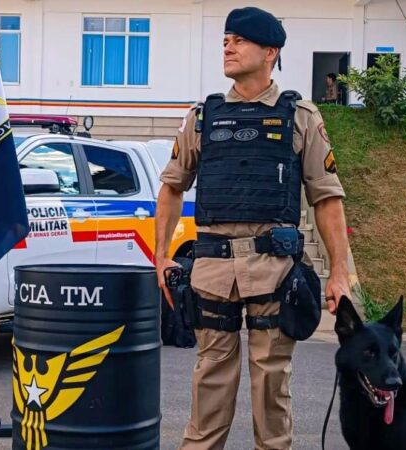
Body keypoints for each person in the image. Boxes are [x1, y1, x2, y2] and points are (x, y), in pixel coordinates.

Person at [154, 6, 352, 450]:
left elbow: (326, 198)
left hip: (273, 271)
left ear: (270, 52)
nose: (228, 47)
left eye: (239, 40)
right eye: (225, 40)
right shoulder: (201, 117)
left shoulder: (301, 117)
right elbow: (171, 188)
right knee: (209, 387)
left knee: (271, 390)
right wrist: (161, 256)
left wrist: (340, 272)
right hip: (212, 271)